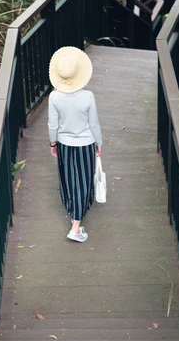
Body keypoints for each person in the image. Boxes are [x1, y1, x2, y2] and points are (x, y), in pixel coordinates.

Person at [48, 46, 103, 243]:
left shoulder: (54, 97)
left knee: (69, 180)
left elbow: (53, 124)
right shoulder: (88, 96)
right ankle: (76, 227)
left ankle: (74, 214)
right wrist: (99, 143)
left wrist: (53, 143)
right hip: (86, 144)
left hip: (64, 144)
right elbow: (94, 123)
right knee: (83, 181)